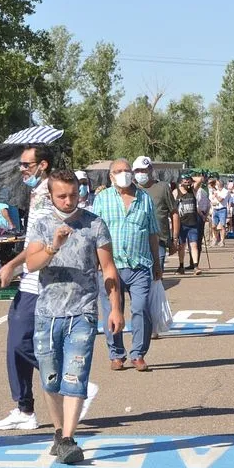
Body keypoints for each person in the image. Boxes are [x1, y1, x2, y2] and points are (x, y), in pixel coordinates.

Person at [24, 169, 125, 464]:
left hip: (82, 312)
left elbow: (108, 269)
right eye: (62, 196)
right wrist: (54, 245)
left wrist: (116, 307)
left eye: (74, 195)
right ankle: (58, 432)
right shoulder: (42, 223)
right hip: (47, 313)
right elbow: (31, 264)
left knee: (75, 377)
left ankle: (68, 438)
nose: (69, 201)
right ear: (51, 195)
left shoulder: (94, 224)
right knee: (50, 379)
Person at [0, 145, 56, 431]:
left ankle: (66, 382)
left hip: (40, 279)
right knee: (16, 341)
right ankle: (24, 407)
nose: (22, 170)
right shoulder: (37, 193)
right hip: (31, 276)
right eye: (20, 165)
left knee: (20, 341)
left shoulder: (48, 194)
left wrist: (12, 264)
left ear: (43, 165)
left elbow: (38, 244)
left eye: (26, 165)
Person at [94, 158, 162, 371]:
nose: (123, 174)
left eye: (126, 170)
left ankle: (138, 354)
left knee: (141, 308)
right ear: (110, 176)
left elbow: (152, 233)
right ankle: (116, 354)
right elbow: (93, 233)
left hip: (140, 265)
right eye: (118, 171)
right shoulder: (102, 199)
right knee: (112, 310)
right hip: (109, 266)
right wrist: (95, 261)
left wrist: (157, 263)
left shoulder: (144, 199)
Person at [132, 156, 179, 273]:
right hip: (137, 242)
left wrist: (175, 240)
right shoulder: (132, 189)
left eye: (143, 170)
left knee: (157, 279)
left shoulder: (162, 188)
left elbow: (174, 213)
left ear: (150, 169)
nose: (140, 173)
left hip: (160, 241)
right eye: (137, 170)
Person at [174, 173, 204, 275]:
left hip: (193, 223)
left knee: (194, 245)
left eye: (188, 181)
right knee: (181, 246)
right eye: (185, 181)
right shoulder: (176, 192)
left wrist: (190, 177)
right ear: (180, 182)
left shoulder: (193, 190)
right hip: (181, 224)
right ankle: (181, 265)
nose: (187, 183)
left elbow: (200, 179)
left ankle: (196, 266)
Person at [208, 178, 229, 247]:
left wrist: (216, 195)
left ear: (220, 184)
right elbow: (211, 199)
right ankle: (215, 238)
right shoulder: (214, 191)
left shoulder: (225, 191)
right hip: (215, 209)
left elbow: (220, 199)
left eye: (216, 184)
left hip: (222, 210)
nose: (215, 185)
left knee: (222, 226)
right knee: (213, 226)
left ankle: (222, 240)